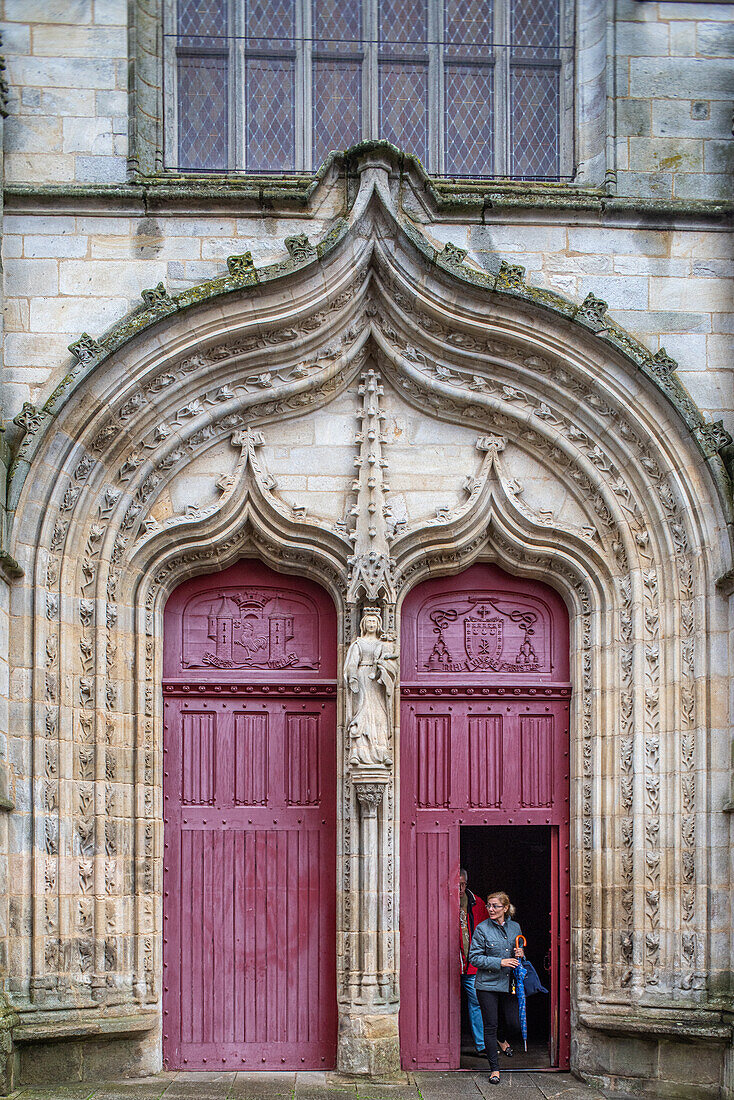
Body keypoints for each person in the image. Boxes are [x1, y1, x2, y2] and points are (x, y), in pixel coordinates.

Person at [468, 891, 524, 1085]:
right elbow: (474, 958)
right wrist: (500, 962)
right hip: (487, 985)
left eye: (495, 906)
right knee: (489, 1026)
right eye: (489, 906)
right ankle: (495, 1069)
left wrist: (521, 953)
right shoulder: (482, 929)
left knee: (513, 1023)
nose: (491, 909)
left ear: (505, 908)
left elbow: (519, 956)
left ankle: (502, 1037)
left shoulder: (515, 927)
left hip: (509, 984)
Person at [459, 869, 489, 1055]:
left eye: (463, 884)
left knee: (476, 1002)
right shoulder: (440, 899)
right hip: (447, 964)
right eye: (457, 884)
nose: (460, 888)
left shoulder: (477, 903)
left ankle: (481, 1045)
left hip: (471, 964)